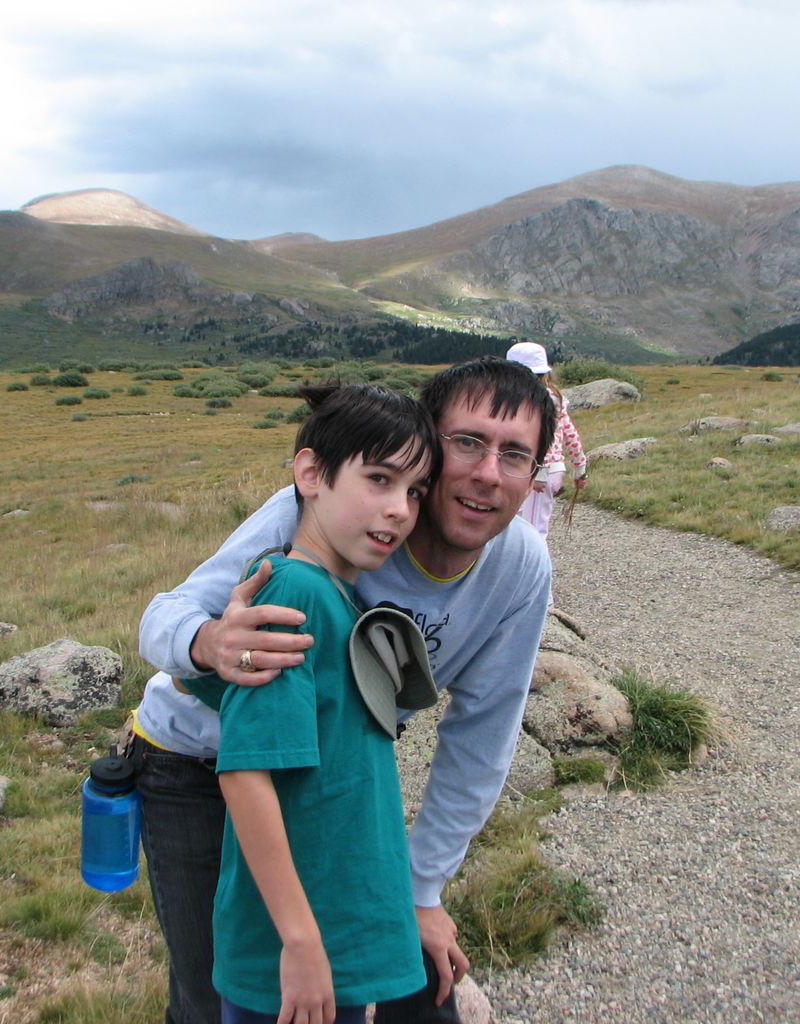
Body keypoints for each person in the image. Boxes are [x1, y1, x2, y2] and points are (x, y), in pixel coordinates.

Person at [133, 357, 556, 1024]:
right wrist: (212, 642)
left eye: (514, 455)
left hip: (318, 777)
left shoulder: (516, 568)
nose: (485, 473)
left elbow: (482, 738)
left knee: (366, 978)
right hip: (193, 761)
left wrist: (420, 889)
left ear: (534, 477)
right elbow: (161, 619)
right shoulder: (328, 513)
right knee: (217, 992)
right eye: (467, 442)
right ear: (426, 438)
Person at [185, 382, 440, 1023]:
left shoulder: (335, 595)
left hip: (337, 936)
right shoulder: (291, 594)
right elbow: (246, 773)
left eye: (414, 491)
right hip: (297, 953)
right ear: (311, 474)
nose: (400, 510)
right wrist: (299, 942)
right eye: (379, 479)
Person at [503, 342, 587, 546]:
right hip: (544, 471)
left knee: (530, 527)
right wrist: (580, 468)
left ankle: (531, 570)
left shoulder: (537, 400)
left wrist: (539, 471)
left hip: (539, 472)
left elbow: (543, 437)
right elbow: (570, 434)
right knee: (529, 523)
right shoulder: (555, 398)